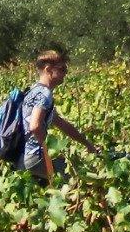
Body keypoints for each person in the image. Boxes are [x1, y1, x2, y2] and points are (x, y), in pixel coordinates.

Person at [20, 50, 100, 185]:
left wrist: (87, 144)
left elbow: (62, 124)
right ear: (48, 69)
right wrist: (47, 150)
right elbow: (35, 126)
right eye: (62, 69)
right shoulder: (44, 94)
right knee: (78, 180)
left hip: (24, 157)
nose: (65, 73)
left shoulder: (33, 91)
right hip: (36, 157)